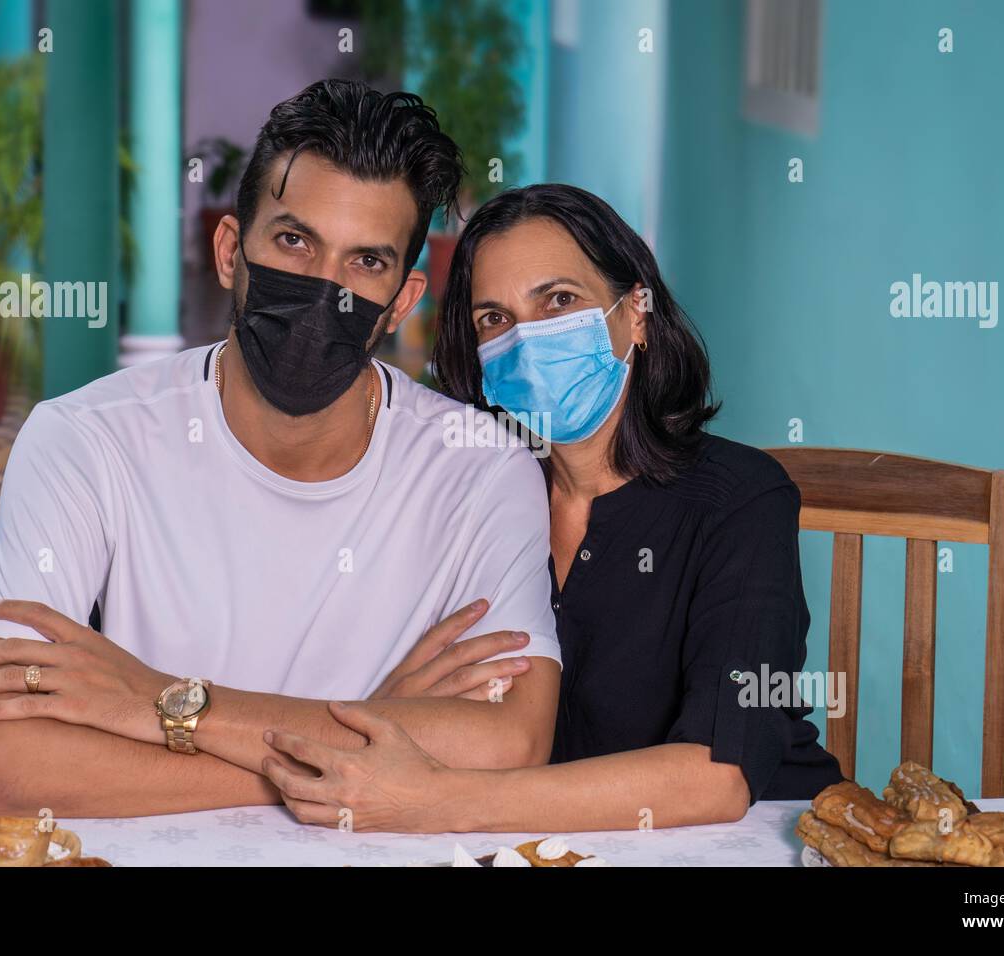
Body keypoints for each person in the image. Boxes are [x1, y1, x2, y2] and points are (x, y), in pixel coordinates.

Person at [0, 81, 562, 818]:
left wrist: (161, 706)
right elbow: (4, 766)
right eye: (294, 241)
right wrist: (352, 754)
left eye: (365, 263)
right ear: (229, 251)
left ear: (403, 302)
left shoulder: (482, 469)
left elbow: (512, 742)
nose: (322, 290)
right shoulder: (83, 441)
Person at [261, 184, 846, 832]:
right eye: (495, 319)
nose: (527, 340)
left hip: (756, 841)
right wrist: (392, 711)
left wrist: (440, 802)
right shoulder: (475, 496)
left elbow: (719, 775)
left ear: (637, 314)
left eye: (559, 301)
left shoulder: (740, 498)